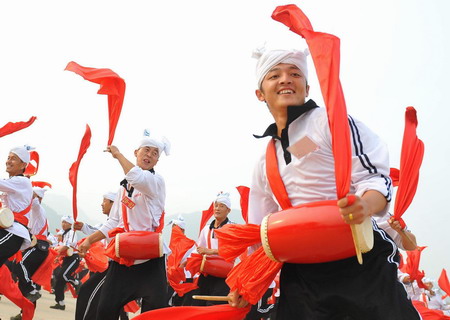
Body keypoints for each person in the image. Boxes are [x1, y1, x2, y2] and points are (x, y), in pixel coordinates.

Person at [228, 47, 421, 319]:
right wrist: (247, 281)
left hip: (360, 262)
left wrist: (364, 205)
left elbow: (375, 178)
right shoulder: (266, 159)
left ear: (306, 87)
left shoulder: (330, 123)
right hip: (302, 272)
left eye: (294, 73)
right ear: (260, 94)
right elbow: (260, 231)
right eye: (275, 75)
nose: (285, 79)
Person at [78, 130, 170, 320]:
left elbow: (137, 177)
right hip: (124, 254)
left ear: (157, 161)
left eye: (155, 154)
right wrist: (89, 240)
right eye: (146, 150)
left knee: (154, 312)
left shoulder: (155, 181)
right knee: (105, 310)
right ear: (136, 152)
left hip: (150, 256)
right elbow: (113, 221)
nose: (149, 155)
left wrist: (118, 155)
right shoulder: (123, 188)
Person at [74, 191, 130, 320]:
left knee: (88, 293)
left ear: (113, 203)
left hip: (117, 267)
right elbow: (101, 231)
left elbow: (106, 231)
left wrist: (87, 237)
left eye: (104, 201)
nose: (101, 204)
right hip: (110, 265)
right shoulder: (112, 221)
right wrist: (84, 227)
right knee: (104, 301)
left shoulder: (121, 220)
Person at [191, 192, 234, 306]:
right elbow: (199, 249)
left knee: (214, 306)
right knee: (197, 304)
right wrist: (189, 261)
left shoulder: (232, 228)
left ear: (228, 210)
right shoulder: (206, 229)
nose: (217, 209)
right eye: (216, 205)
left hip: (223, 274)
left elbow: (234, 250)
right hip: (207, 273)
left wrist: (212, 251)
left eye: (221, 206)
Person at [0, 146, 33, 266]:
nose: (8, 161)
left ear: (23, 165)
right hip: (6, 230)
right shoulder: (12, 182)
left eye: (13, 159)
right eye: (8, 158)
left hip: (14, 232)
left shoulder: (22, 181)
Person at [50, 215, 80, 310]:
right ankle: (60, 303)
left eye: (65, 222)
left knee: (63, 275)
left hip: (74, 258)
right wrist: (58, 256)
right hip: (66, 258)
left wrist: (57, 253)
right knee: (59, 280)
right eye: (62, 222)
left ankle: (76, 283)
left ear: (70, 224)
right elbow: (61, 246)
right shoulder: (63, 233)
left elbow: (68, 245)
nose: (63, 224)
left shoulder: (72, 232)